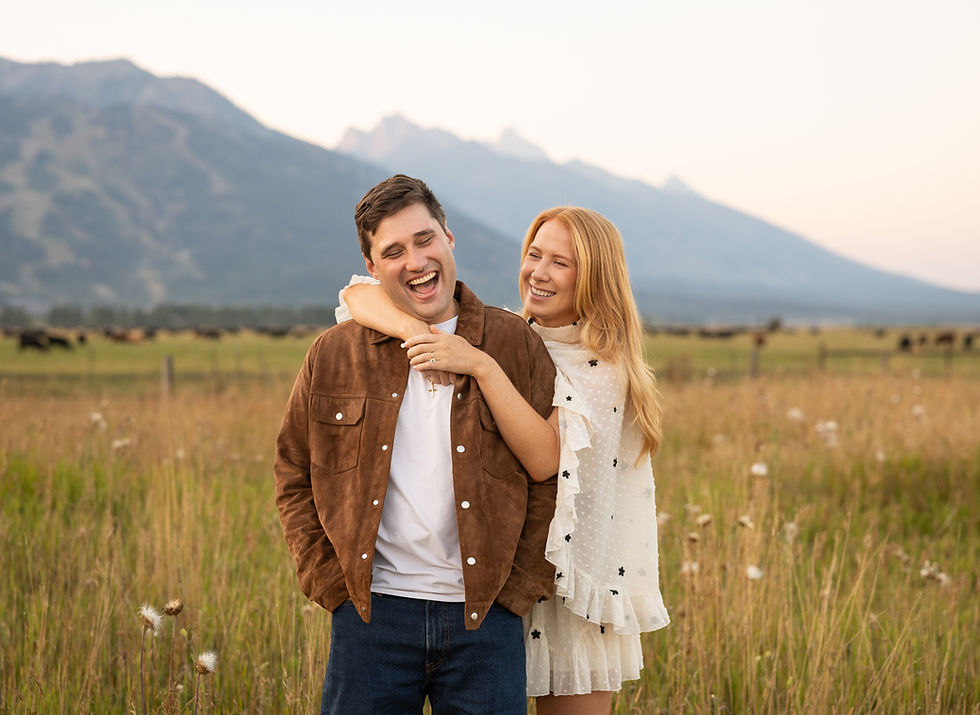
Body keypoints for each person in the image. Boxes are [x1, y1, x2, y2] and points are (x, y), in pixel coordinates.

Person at [342, 206, 670, 714]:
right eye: (534, 254)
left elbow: (544, 459)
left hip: (570, 594)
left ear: (594, 276)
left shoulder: (602, 367)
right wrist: (420, 333)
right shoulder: (512, 335)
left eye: (561, 262)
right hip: (500, 581)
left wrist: (478, 364)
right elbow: (356, 295)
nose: (538, 272)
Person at [274, 174, 560, 714]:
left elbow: (548, 477)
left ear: (449, 238)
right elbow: (293, 473)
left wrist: (515, 594)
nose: (415, 261)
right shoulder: (334, 353)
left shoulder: (513, 344)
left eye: (424, 239)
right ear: (372, 266)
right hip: (371, 618)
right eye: (394, 251)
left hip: (485, 622)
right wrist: (330, 583)